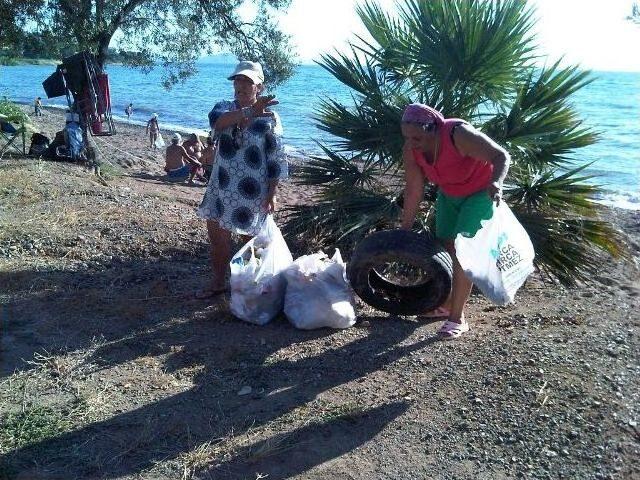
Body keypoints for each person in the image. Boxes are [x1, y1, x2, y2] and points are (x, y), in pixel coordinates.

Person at [400, 103, 510, 339]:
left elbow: (501, 156)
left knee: (463, 253)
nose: (411, 143)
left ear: (433, 129)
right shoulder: (411, 148)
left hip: (481, 193)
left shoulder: (458, 134)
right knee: (446, 249)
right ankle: (448, 303)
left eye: (416, 137)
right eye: (407, 137)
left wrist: (497, 182)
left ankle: (457, 318)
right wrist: (404, 230)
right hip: (449, 194)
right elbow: (413, 190)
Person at [196, 60, 287, 297]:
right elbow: (218, 123)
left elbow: (276, 157)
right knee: (218, 240)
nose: (242, 85)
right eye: (238, 80)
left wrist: (273, 193)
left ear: (260, 87)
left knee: (250, 245)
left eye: (248, 81)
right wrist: (249, 112)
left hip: (252, 191)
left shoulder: (270, 118)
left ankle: (248, 290)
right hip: (221, 186)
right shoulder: (224, 107)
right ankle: (218, 282)